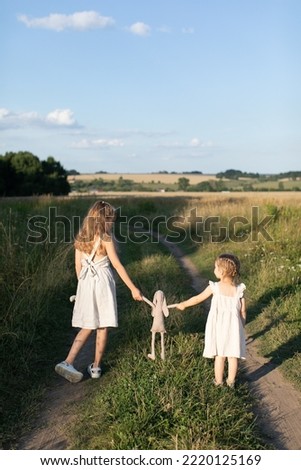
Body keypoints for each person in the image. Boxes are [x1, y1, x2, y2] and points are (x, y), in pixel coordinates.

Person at [55, 200, 143, 383]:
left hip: (86, 283)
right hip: (102, 283)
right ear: (105, 220)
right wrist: (133, 288)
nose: (112, 223)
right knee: (103, 325)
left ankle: (69, 361)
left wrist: (83, 286)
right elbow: (117, 266)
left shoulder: (80, 238)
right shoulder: (106, 239)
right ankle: (95, 366)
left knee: (87, 324)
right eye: (111, 219)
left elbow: (77, 267)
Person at [175, 253, 246, 388]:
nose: (214, 270)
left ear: (222, 272)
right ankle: (231, 381)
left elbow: (197, 298)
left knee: (220, 355)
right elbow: (243, 311)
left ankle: (218, 382)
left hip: (218, 327)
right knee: (232, 355)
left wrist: (184, 304)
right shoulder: (239, 290)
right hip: (234, 328)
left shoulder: (215, 287)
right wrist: (241, 326)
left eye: (215, 267)